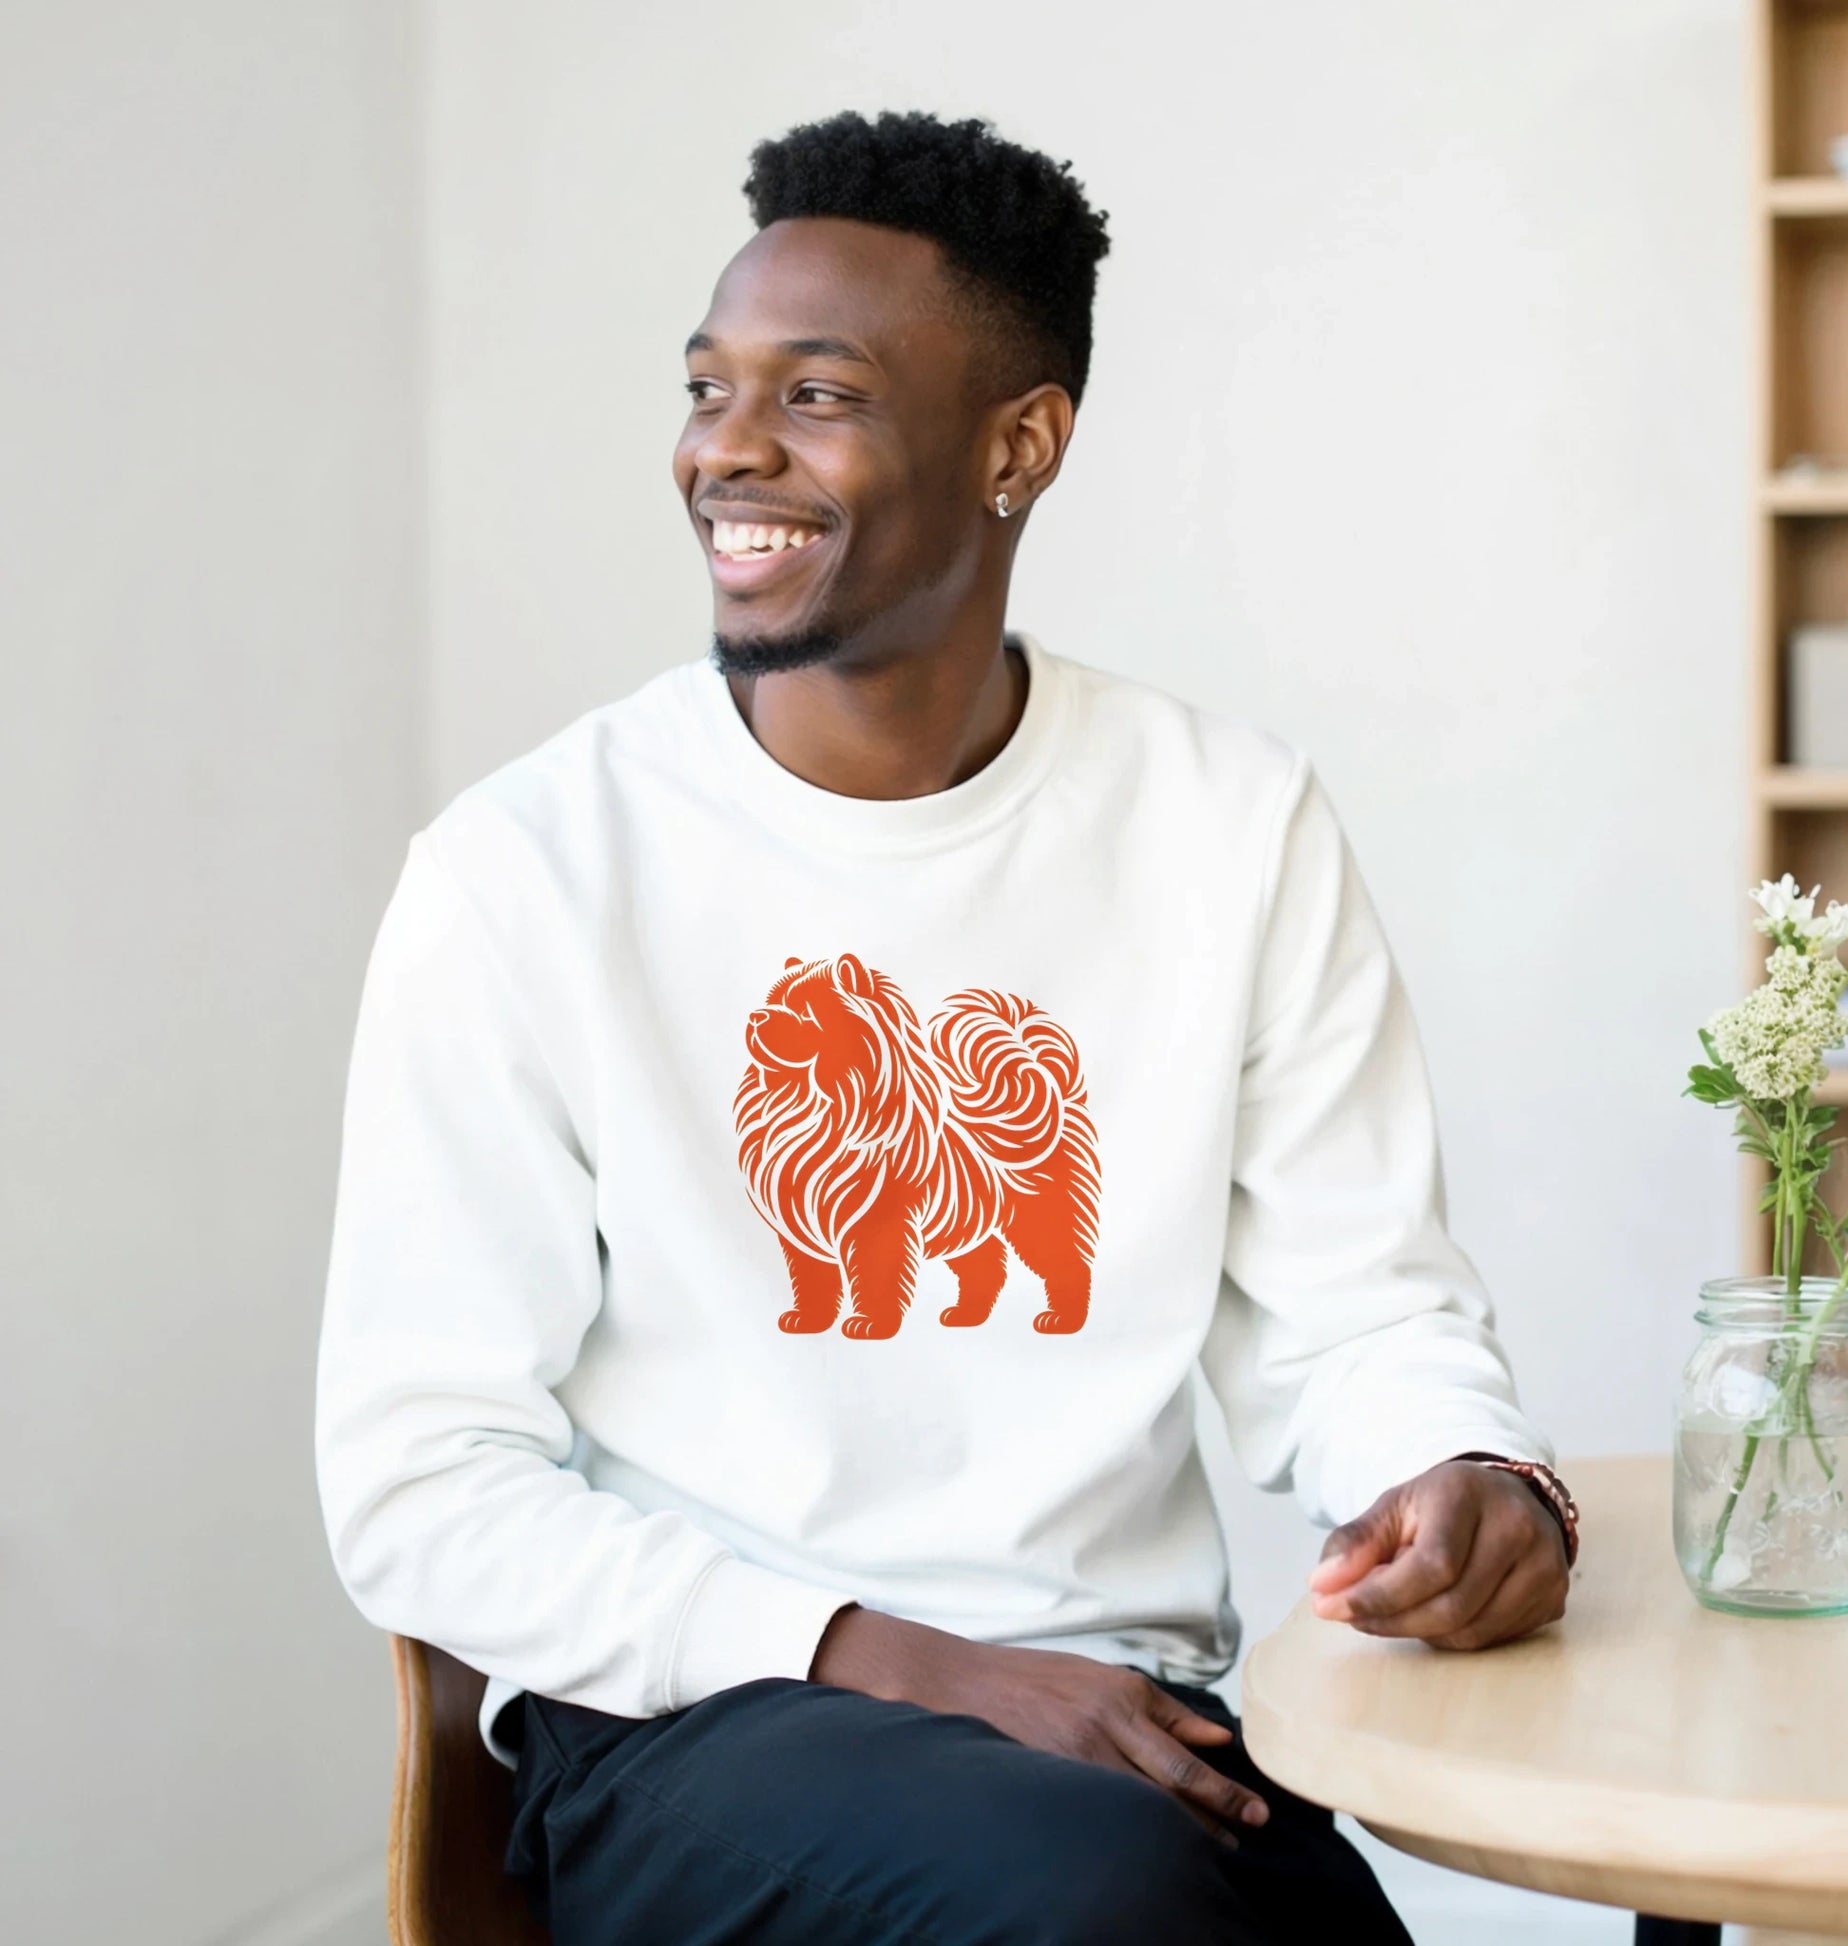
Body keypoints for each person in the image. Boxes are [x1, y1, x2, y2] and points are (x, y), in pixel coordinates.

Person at [314, 107, 1574, 1946]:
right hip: (692, 1725)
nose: (724, 449)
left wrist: (1466, 1472)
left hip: (1120, 1722)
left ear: (1018, 445)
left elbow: (1362, 1306)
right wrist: (899, 1662)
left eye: (813, 394)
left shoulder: (1225, 822)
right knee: (1101, 1904)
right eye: (706, 385)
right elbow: (421, 1488)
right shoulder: (524, 872)